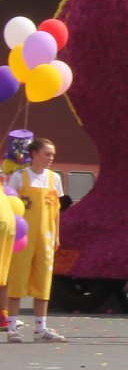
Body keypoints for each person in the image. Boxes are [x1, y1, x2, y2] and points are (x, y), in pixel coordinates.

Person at [5, 137, 70, 343]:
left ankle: (41, 328)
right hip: (23, 237)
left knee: (43, 281)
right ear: (34, 154)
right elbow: (10, 207)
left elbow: (56, 210)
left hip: (46, 237)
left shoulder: (54, 179)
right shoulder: (19, 177)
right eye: (47, 154)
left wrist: (57, 234)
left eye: (53, 155)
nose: (51, 158)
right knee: (17, 279)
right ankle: (12, 327)